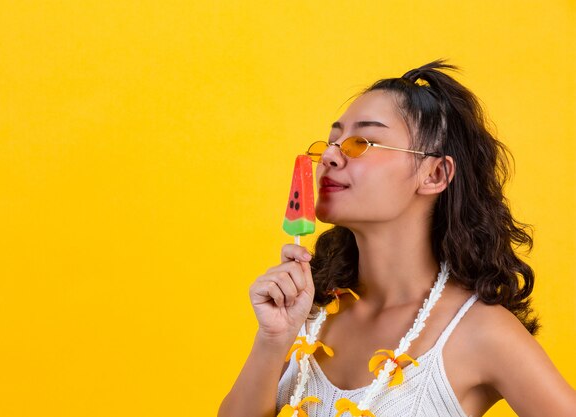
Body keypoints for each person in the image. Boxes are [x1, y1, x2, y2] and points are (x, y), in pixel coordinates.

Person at [218, 61, 576, 417]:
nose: (328, 156)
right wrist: (272, 340)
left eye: (362, 142)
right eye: (331, 142)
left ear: (435, 173)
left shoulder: (481, 331)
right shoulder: (309, 313)